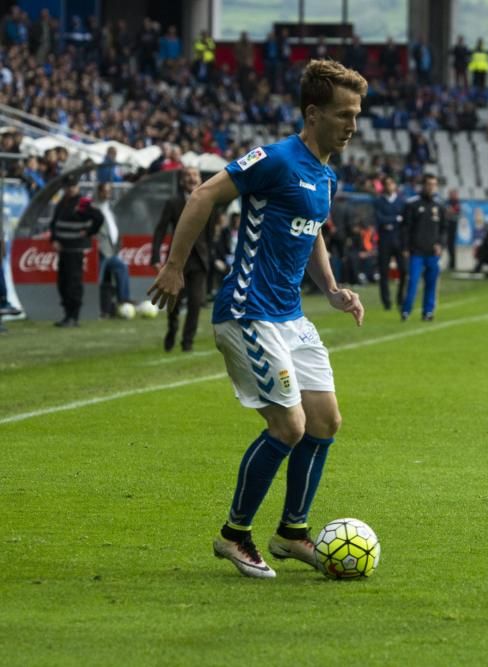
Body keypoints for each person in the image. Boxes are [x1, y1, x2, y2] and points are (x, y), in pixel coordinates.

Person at [147, 59, 367, 579]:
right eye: (343, 114)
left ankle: (292, 533)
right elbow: (204, 194)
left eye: (357, 114)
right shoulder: (274, 158)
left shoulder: (325, 174)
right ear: (313, 114)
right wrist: (175, 266)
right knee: (288, 426)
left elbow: (310, 230)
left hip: (290, 316)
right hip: (248, 313)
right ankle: (234, 534)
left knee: (326, 421)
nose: (353, 125)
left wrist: (332, 289)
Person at [152, 167, 215, 352]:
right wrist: (156, 256)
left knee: (196, 302)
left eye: (194, 175)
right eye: (187, 175)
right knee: (174, 301)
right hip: (178, 260)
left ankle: (188, 342)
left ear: (200, 179)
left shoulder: (209, 202)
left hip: (199, 261)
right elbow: (160, 230)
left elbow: (210, 234)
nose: (191, 178)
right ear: (181, 180)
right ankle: (172, 330)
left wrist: (209, 255)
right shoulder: (173, 202)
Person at [51, 177, 104, 327]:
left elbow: (99, 218)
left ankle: (74, 316)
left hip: (75, 248)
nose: (70, 189)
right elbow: (54, 222)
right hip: (63, 248)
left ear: (77, 187)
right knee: (63, 283)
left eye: (73, 186)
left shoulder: (82, 203)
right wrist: (54, 239)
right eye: (68, 187)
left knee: (73, 283)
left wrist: (89, 232)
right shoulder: (62, 202)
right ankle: (67, 314)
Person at [400, 173, 447, 322]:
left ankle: (428, 312)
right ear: (423, 185)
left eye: (434, 184)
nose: (431, 187)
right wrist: (405, 247)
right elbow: (405, 228)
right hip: (416, 251)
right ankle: (406, 310)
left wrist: (440, 244)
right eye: (429, 184)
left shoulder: (439, 206)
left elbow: (444, 229)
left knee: (432, 283)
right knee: (413, 281)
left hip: (432, 252)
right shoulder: (412, 204)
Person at [94, 182, 131, 317]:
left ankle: (123, 300)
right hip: (101, 250)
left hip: (111, 250)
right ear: (98, 192)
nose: (107, 194)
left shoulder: (109, 209)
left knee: (122, 268)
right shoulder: (94, 208)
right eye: (105, 191)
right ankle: (97, 307)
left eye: (109, 191)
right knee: (98, 279)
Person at [373, 176, 407, 311]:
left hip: (398, 240)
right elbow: (379, 219)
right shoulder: (378, 201)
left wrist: (390, 221)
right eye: (386, 184)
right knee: (384, 272)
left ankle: (400, 298)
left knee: (404, 270)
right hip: (384, 241)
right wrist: (396, 219)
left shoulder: (401, 201)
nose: (388, 186)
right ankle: (386, 302)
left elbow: (404, 221)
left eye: (391, 183)